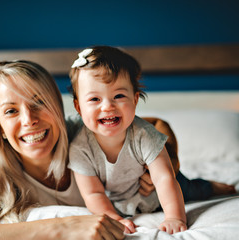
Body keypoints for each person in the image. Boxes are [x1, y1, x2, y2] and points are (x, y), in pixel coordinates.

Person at [0, 60, 126, 240]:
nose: (29, 119)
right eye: (11, 111)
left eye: (39, 102)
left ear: (58, 106)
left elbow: (151, 127)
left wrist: (153, 162)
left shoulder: (88, 136)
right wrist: (63, 227)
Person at [67, 46, 235, 234]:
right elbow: (93, 193)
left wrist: (174, 217)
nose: (107, 106)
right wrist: (114, 218)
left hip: (158, 191)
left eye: (119, 96)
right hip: (122, 202)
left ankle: (211, 186)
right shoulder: (79, 148)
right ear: (79, 107)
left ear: (135, 100)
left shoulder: (144, 134)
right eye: (95, 99)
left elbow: (164, 178)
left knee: (192, 189)